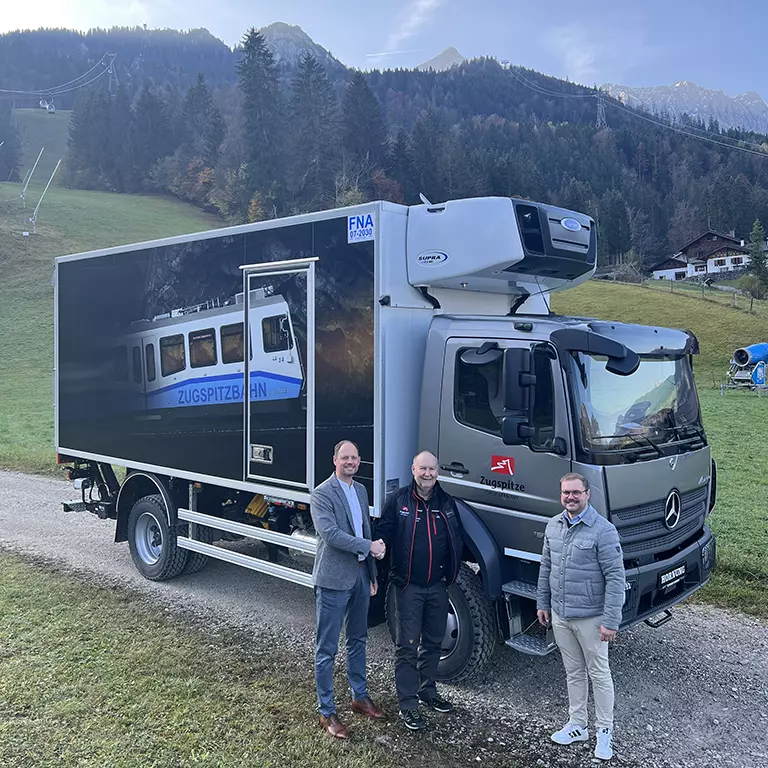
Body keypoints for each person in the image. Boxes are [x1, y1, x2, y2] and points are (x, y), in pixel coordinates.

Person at [536, 472, 625, 762]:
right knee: (573, 672)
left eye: (576, 492)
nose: (570, 498)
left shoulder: (604, 531)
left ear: (587, 494)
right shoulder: (553, 526)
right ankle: (577, 725)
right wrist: (543, 603)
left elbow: (615, 578)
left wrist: (611, 620)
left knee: (599, 674)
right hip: (561, 616)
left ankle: (604, 733)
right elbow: (546, 568)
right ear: (560, 495)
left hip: (591, 618)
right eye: (565, 493)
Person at [375, 450, 463, 731]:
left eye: (432, 469)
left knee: (434, 642)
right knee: (408, 647)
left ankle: (428, 690)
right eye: (422, 468)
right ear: (413, 469)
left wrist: (451, 575)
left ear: (438, 472)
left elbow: (456, 541)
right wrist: (380, 575)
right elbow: (383, 538)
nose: (428, 474)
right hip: (408, 586)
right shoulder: (398, 501)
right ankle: (408, 704)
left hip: (437, 586)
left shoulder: (447, 503)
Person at [310, 440, 387, 739]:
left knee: (358, 638)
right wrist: (369, 547)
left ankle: (359, 697)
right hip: (332, 580)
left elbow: (364, 529)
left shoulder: (361, 490)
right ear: (334, 460)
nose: (350, 462)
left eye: (355, 458)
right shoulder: (322, 494)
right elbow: (331, 535)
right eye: (345, 458)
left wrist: (371, 573)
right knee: (326, 649)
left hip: (358, 576)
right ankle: (326, 711)